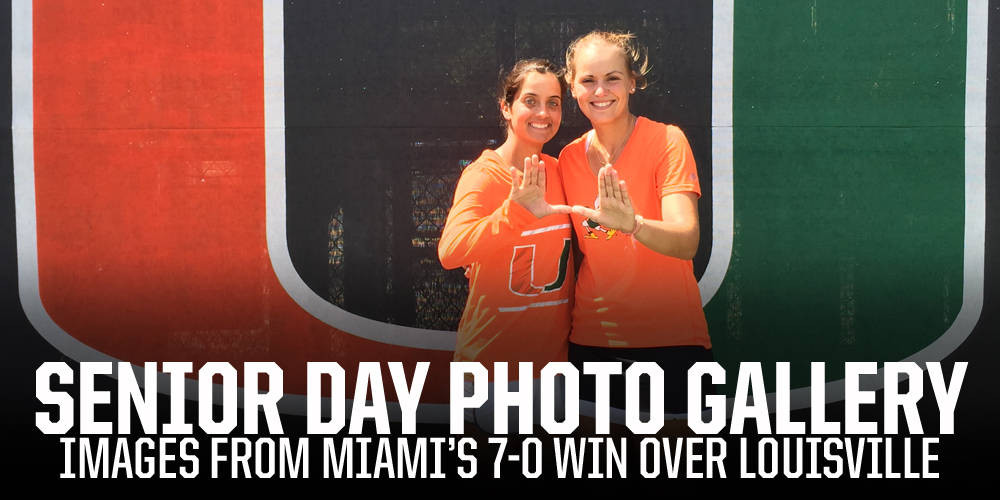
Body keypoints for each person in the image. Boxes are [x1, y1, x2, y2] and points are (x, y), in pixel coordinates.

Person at [558, 31, 713, 422]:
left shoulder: (667, 141)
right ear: (573, 86)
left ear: (631, 82)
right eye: (588, 80)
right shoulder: (568, 158)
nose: (600, 90)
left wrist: (635, 225)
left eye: (612, 78)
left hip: (673, 341)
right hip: (593, 343)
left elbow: (687, 240)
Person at [438, 59, 573, 432]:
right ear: (506, 107)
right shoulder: (484, 174)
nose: (543, 113)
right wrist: (514, 211)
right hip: (493, 373)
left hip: (553, 372)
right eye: (530, 100)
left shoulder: (560, 170)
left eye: (554, 102)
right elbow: (451, 251)